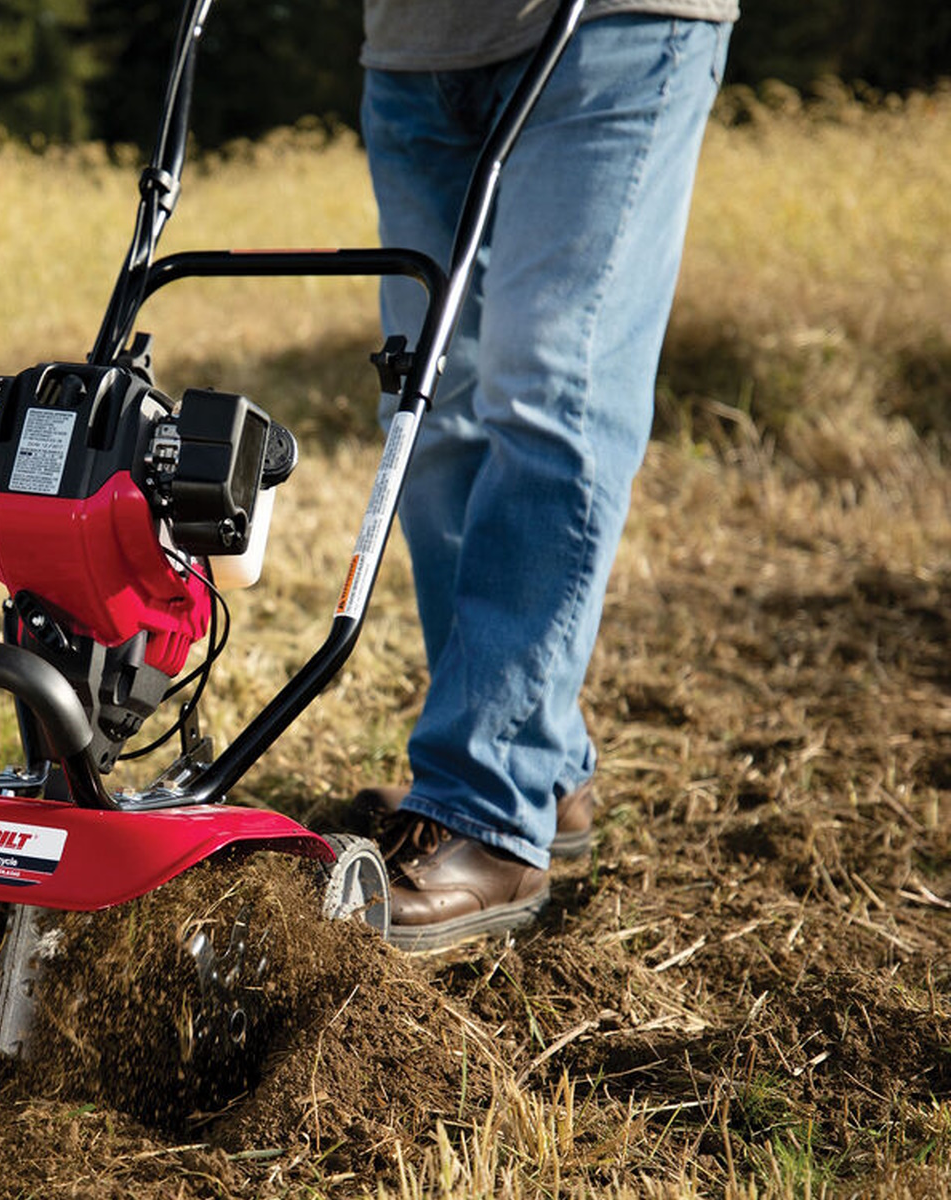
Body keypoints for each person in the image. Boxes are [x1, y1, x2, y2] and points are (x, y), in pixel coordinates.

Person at [354, 0, 736, 950]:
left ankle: (487, 803)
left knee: (547, 388)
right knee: (428, 410)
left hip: (609, 28)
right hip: (415, 42)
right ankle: (540, 764)